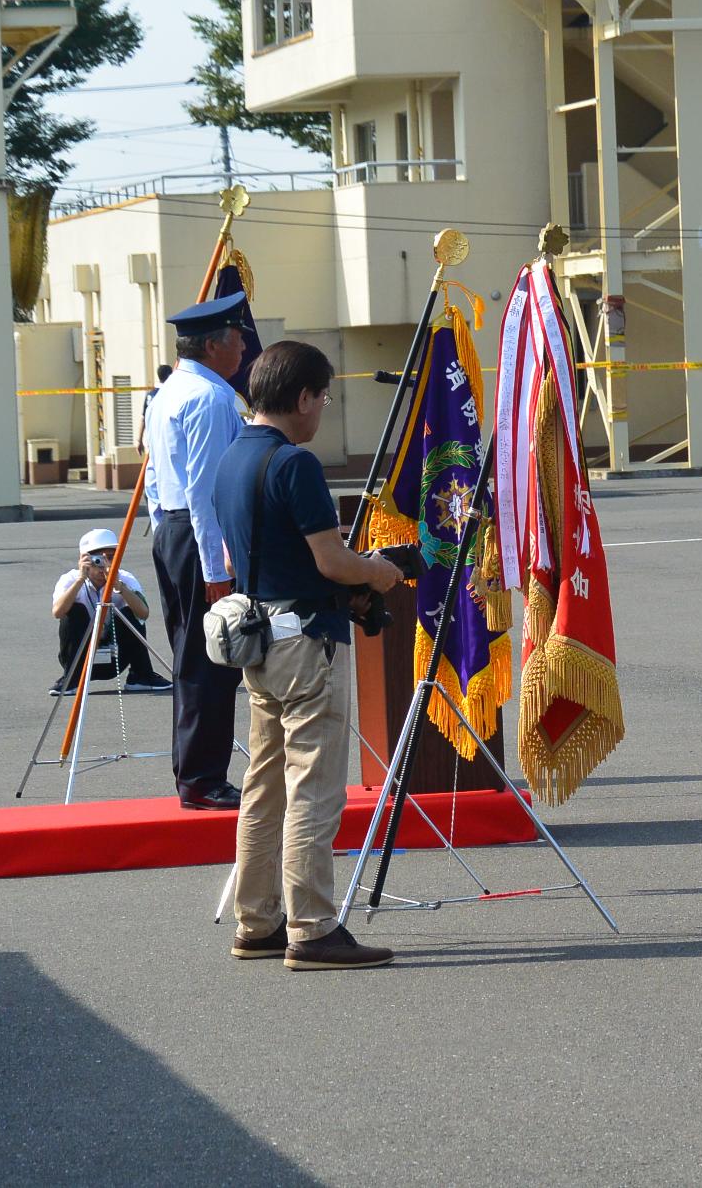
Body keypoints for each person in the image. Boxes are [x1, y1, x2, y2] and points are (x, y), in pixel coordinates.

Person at [217, 340, 403, 970]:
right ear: (302, 397)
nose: (323, 407)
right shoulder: (295, 464)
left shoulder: (231, 460)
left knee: (263, 785)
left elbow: (237, 559)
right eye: (323, 396)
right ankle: (314, 927)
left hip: (257, 636)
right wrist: (376, 573)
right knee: (314, 789)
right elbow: (331, 560)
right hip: (305, 644)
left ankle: (257, 919)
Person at [146, 290, 250, 809]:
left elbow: (152, 477)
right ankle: (204, 778)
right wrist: (215, 568)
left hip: (173, 531)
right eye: (237, 339)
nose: (242, 350)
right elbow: (206, 491)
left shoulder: (168, 391)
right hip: (196, 534)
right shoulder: (208, 399)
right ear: (214, 344)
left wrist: (160, 530)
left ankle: (195, 772)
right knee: (210, 659)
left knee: (194, 656)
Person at [50, 528, 173, 696]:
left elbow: (143, 614)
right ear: (84, 559)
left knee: (131, 611)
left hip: (116, 656)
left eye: (112, 557)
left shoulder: (125, 578)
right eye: (99, 559)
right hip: (81, 657)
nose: (105, 566)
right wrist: (80, 580)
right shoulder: (69, 579)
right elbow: (57, 612)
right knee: (74, 610)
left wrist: (120, 588)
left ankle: (141, 675)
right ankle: (72, 679)